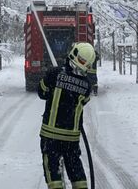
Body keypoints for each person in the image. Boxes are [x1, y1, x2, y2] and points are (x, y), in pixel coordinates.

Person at [37, 42, 95, 189]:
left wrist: (51, 82)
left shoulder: (54, 74)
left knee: (53, 175)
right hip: (72, 139)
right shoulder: (86, 86)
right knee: (76, 172)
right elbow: (84, 101)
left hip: (51, 138)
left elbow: (42, 93)